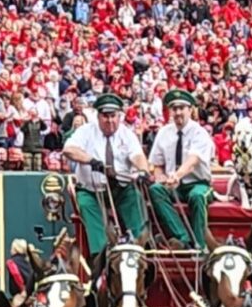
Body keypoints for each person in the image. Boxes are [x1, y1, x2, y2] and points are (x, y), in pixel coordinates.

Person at [62, 93, 150, 258]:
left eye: (113, 116)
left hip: (121, 189)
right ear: (98, 115)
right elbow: (69, 149)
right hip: (92, 190)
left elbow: (138, 156)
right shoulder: (86, 132)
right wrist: (91, 160)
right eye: (105, 116)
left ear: (119, 116)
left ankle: (140, 247)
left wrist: (143, 171)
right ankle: (100, 255)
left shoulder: (127, 134)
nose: (110, 121)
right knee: (86, 205)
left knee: (135, 197)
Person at [148, 89, 214, 252]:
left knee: (197, 196)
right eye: (174, 109)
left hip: (197, 182)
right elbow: (156, 163)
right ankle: (182, 237)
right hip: (173, 185)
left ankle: (199, 245)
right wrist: (160, 177)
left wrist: (176, 176)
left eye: (181, 108)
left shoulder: (200, 132)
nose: (177, 113)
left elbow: (193, 161)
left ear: (190, 110)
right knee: (155, 190)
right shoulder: (164, 132)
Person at [6, 238, 34, 307]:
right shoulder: (29, 260)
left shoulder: (11, 262)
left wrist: (23, 289)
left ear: (15, 249)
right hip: (31, 292)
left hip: (20, 294)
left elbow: (16, 275)